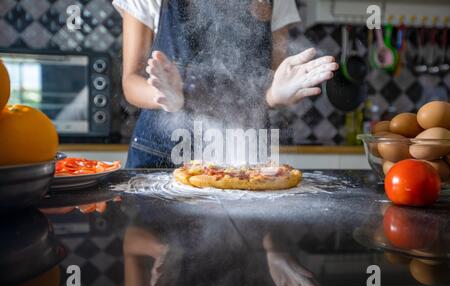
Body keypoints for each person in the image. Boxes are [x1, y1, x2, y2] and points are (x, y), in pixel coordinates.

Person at [113, 0, 338, 168]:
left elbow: (271, 80)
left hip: (243, 157)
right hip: (161, 155)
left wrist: (274, 95)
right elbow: (131, 81)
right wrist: (165, 96)